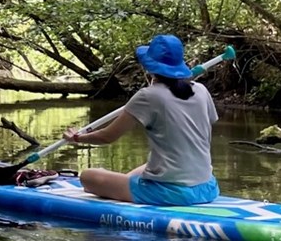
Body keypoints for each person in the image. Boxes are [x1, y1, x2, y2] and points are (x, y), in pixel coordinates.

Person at [61, 34, 219, 206]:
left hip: (169, 193)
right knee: (146, 166)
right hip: (207, 188)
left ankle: (122, 185)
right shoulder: (202, 90)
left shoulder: (148, 96)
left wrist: (76, 138)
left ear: (149, 68)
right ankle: (125, 183)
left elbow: (107, 136)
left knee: (88, 176)